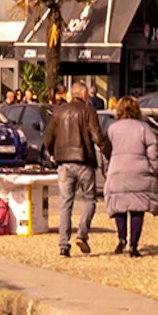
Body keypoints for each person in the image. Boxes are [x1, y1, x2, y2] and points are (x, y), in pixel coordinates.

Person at [46, 81, 107, 256]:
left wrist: (53, 154)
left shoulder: (59, 112)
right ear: (85, 95)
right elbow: (97, 135)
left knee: (65, 203)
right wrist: (108, 151)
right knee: (89, 199)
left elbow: (48, 138)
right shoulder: (88, 111)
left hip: (64, 162)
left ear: (71, 95)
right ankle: (82, 233)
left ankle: (63, 245)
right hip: (84, 160)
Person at [100, 95, 158, 256]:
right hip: (139, 172)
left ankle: (122, 239)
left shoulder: (112, 129)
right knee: (137, 209)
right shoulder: (144, 128)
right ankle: (133, 245)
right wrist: (155, 168)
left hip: (117, 171)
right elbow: (153, 151)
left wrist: (108, 170)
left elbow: (106, 152)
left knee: (119, 207)